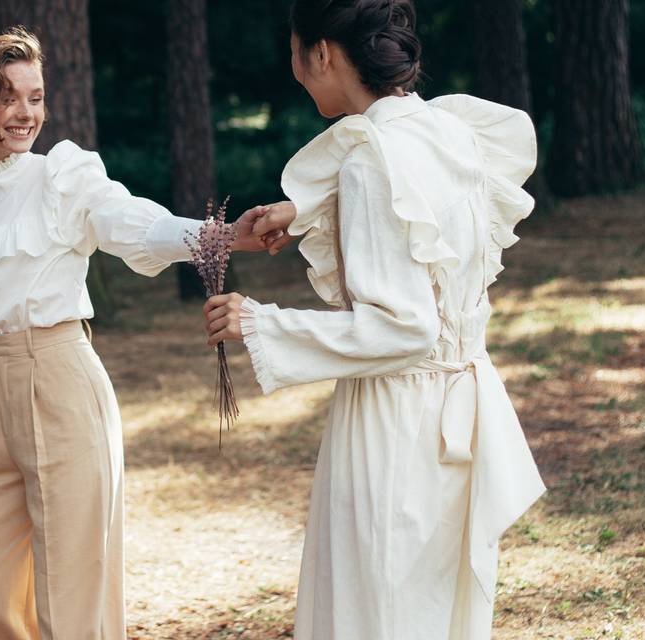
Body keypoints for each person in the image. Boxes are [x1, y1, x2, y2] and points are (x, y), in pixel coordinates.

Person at [0, 27, 265, 640]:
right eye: (9, 96)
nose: (27, 113)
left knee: (74, 592)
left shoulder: (61, 181)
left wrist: (218, 236)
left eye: (36, 97)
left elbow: (133, 225)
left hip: (62, 379)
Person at [204, 1, 545, 638]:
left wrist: (260, 323)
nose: (297, 73)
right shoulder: (448, 130)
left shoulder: (370, 163)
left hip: (396, 422)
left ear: (324, 54)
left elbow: (403, 328)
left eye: (296, 55)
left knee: (378, 605)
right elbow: (405, 199)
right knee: (431, 604)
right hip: (453, 407)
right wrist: (302, 208)